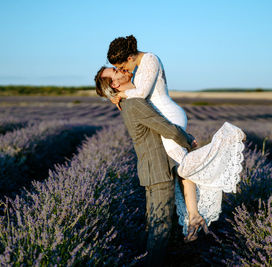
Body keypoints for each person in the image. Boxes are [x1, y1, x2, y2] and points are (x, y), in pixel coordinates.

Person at [103, 35, 246, 239]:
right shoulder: (138, 66)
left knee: (185, 164)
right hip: (161, 116)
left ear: (130, 57)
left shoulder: (150, 59)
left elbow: (142, 93)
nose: (123, 71)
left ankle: (229, 137)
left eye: (121, 66)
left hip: (169, 116)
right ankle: (194, 215)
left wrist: (119, 95)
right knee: (181, 168)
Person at [95, 69, 196, 265]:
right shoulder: (134, 103)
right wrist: (189, 141)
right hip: (158, 170)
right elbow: (166, 128)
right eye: (115, 71)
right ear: (115, 84)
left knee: (154, 226)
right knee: (160, 230)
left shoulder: (129, 101)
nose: (120, 69)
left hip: (152, 170)